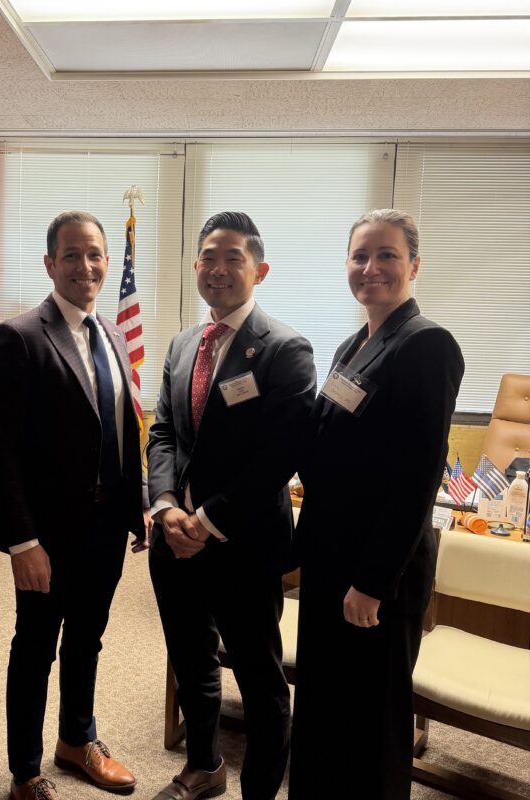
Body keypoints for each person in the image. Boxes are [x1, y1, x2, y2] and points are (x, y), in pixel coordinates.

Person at [288, 209, 464, 800]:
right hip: (330, 556)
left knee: (373, 717)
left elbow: (419, 475)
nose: (371, 268)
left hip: (376, 569)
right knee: (323, 700)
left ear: (414, 265)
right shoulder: (352, 344)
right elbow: (319, 444)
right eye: (360, 256)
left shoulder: (427, 345)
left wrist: (372, 581)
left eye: (386, 255)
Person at [0, 211, 150, 800]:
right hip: (46, 538)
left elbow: (126, 429)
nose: (87, 266)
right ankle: (25, 770)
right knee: (35, 649)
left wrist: (141, 504)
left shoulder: (112, 336)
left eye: (95, 254)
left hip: (105, 528)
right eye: (72, 255)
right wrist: (22, 540)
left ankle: (78, 740)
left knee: (88, 640)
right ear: (50, 264)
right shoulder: (20, 336)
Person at [147, 211, 316, 800]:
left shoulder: (285, 349)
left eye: (233, 259)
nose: (218, 270)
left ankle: (260, 792)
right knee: (192, 661)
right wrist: (165, 506)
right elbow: (163, 431)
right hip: (174, 541)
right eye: (208, 258)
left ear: (259, 270)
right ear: (196, 266)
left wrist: (208, 518)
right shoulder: (182, 342)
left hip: (243, 544)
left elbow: (279, 455)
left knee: (259, 676)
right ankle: (204, 765)